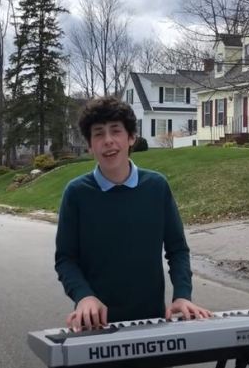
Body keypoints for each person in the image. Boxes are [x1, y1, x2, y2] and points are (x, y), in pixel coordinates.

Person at [55, 96, 211, 332]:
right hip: (95, 326)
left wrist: (182, 294)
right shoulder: (76, 193)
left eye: (115, 131)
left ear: (131, 138)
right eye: (98, 134)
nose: (108, 141)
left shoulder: (156, 186)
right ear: (89, 145)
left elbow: (177, 249)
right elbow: (66, 259)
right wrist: (83, 296)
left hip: (152, 324)